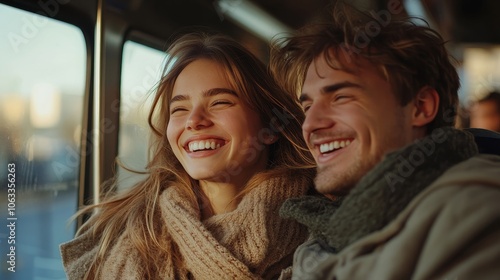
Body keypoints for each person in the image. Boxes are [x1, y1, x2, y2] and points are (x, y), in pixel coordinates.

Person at [270, 3, 500, 280]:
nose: (311, 124)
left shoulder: (479, 217)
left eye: (340, 97)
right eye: (307, 107)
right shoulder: (320, 239)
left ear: (421, 107)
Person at [60, 32, 316, 279]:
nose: (193, 121)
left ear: (270, 126)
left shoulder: (321, 227)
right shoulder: (131, 234)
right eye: (180, 109)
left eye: (219, 103)